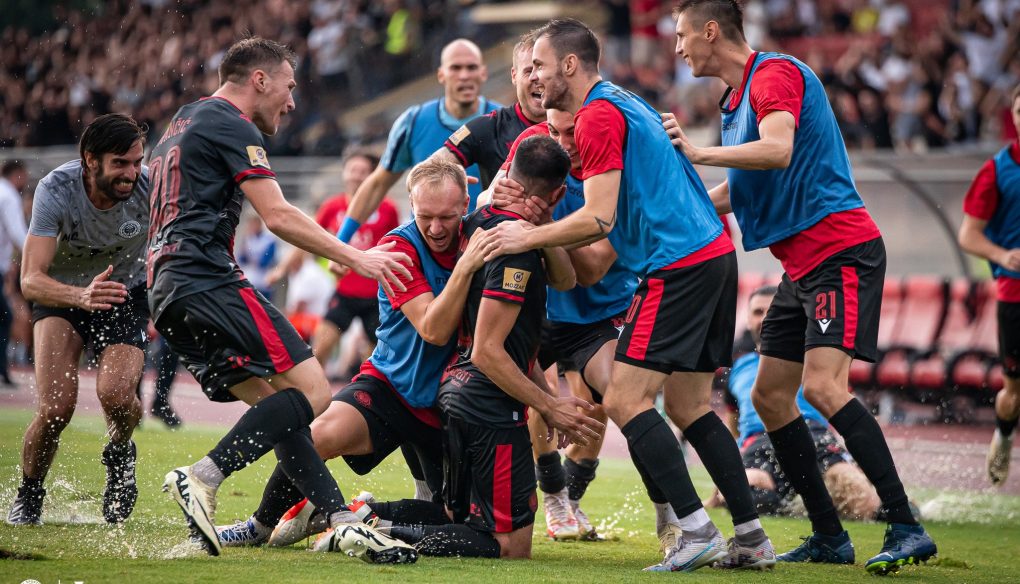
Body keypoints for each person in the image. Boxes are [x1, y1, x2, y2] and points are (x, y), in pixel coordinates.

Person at [483, 19, 774, 572]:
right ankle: (752, 537)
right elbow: (590, 258)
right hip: (712, 256)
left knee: (621, 399)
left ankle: (691, 527)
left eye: (541, 65)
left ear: (570, 66)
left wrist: (529, 235)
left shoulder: (595, 116)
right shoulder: (622, 101)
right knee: (689, 406)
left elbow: (598, 218)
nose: (534, 77)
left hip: (678, 266)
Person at [665, 0, 936, 573]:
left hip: (839, 251)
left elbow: (778, 149)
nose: (678, 47)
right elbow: (742, 190)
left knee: (823, 388)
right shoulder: (735, 99)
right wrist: (681, 211)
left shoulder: (775, 74)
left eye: (683, 34)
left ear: (711, 31)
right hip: (803, 267)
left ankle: (905, 524)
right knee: (767, 395)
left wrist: (697, 154)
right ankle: (829, 536)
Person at [147, 37, 414, 562]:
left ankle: (338, 517)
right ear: (260, 80)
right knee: (314, 391)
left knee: (279, 409)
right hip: (205, 277)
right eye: (288, 87)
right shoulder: (232, 122)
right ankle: (202, 476)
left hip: (167, 288)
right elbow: (279, 216)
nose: (292, 102)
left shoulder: (183, 120)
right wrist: (358, 258)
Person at [214, 157, 489, 547]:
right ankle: (257, 527)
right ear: (411, 205)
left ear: (465, 204)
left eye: (446, 216)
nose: (435, 227)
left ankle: (362, 513)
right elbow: (433, 328)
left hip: (446, 404)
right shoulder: (399, 245)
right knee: (315, 436)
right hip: (390, 387)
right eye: (425, 215)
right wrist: (464, 270)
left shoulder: (476, 232)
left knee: (456, 517)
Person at [358, 135, 604, 560]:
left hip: (460, 391)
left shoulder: (480, 222)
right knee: (511, 548)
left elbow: (566, 280)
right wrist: (550, 405)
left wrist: (541, 228)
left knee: (458, 516)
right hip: (488, 402)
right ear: (560, 193)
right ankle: (371, 531)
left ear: (508, 177)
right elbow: (489, 350)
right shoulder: (514, 251)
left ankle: (363, 517)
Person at [489, 108, 639, 542]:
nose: (562, 139)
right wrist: (497, 199)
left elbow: (590, 271)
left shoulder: (616, 173)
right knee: (539, 397)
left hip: (599, 310)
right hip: (542, 308)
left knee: (612, 403)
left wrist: (544, 223)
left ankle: (576, 498)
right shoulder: (532, 148)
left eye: (570, 130)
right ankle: (555, 496)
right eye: (554, 128)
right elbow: (489, 200)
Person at [7, 114, 149, 527]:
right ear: (90, 160)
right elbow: (31, 279)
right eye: (120, 163)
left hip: (124, 293)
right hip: (61, 294)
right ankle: (30, 494)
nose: (132, 174)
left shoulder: (150, 187)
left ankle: (120, 453)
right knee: (55, 409)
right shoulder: (57, 189)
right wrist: (80, 296)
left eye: (137, 162)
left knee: (118, 395)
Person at [705, 285, 884, 522]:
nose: (765, 319)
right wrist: (728, 474)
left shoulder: (817, 364)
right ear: (748, 319)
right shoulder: (737, 369)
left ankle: (886, 503)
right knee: (743, 493)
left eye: (772, 311)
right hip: (760, 444)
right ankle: (803, 504)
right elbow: (734, 424)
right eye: (758, 312)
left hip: (816, 437)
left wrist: (860, 466)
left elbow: (846, 412)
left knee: (864, 504)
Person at [336, 38, 499, 247]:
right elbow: (378, 184)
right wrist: (342, 242)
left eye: (471, 67)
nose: (464, 75)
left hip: (487, 247)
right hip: (428, 250)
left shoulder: (503, 121)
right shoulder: (413, 122)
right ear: (441, 74)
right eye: (456, 68)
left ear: (483, 73)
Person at [268, 151, 398, 372]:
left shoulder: (388, 209)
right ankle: (310, 397)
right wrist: (281, 270)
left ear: (373, 176)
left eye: (363, 172)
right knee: (320, 348)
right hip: (344, 293)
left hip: (377, 295)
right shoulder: (332, 207)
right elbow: (305, 239)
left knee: (377, 361)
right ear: (344, 174)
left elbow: (397, 246)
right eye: (352, 170)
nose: (356, 176)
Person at [958, 84, 1020, 487]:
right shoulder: (996, 170)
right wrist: (1003, 256)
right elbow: (969, 235)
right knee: (1013, 389)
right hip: (1014, 295)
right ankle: (1003, 434)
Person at [436, 30, 546, 189]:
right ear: (514, 76)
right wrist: (445, 178)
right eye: (529, 71)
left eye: (543, 69)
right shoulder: (490, 127)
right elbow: (422, 173)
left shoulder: (581, 123)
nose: (537, 78)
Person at [0, 160, 29, 388]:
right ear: (17, 174)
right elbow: (18, 233)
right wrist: (37, 255)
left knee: (5, 316)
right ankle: (2, 371)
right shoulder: (8, 195)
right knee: (6, 317)